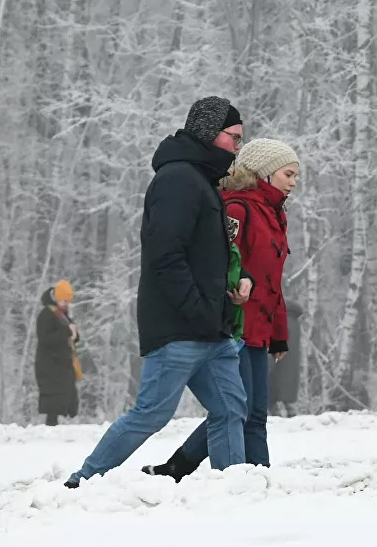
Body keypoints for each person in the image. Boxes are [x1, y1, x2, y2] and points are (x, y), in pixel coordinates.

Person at [65, 97, 250, 487]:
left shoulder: (201, 180)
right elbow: (165, 255)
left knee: (230, 407)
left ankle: (233, 488)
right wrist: (197, 309)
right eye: (233, 137)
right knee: (151, 414)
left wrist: (237, 282)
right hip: (179, 327)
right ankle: (82, 482)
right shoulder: (178, 180)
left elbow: (209, 254)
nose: (238, 146)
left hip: (210, 329)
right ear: (209, 134)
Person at [145, 138, 298, 478]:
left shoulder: (274, 214)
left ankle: (201, 468)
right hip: (235, 325)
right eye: (288, 174)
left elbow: (272, 281)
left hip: (259, 328)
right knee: (238, 410)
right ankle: (247, 477)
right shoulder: (237, 209)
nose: (293, 181)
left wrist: (279, 334)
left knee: (249, 411)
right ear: (266, 173)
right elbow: (220, 266)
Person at [35, 281, 81, 426]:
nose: (67, 304)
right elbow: (45, 339)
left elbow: (69, 336)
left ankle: (63, 426)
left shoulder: (62, 315)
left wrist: (75, 335)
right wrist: (67, 332)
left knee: (67, 398)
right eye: (64, 300)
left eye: (68, 301)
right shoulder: (47, 315)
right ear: (56, 298)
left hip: (63, 365)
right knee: (54, 400)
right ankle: (52, 428)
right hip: (50, 366)